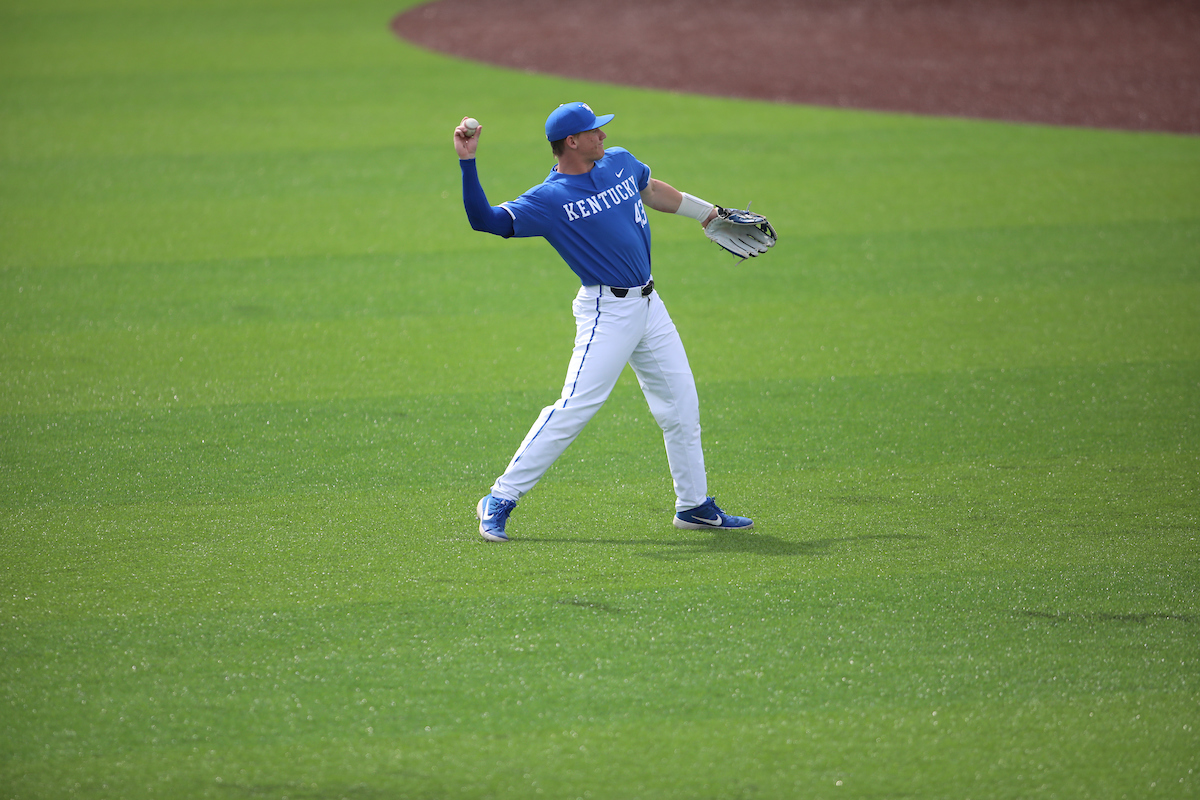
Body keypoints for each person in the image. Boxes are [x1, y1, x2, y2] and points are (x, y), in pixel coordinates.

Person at [454, 101, 755, 542]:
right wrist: (468, 162)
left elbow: (650, 189)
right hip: (605, 313)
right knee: (575, 407)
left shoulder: (619, 162)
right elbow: (485, 221)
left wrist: (708, 213)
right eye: (595, 131)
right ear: (571, 142)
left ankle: (693, 506)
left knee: (682, 408)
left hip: (651, 307)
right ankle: (499, 497)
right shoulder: (549, 199)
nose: (604, 136)